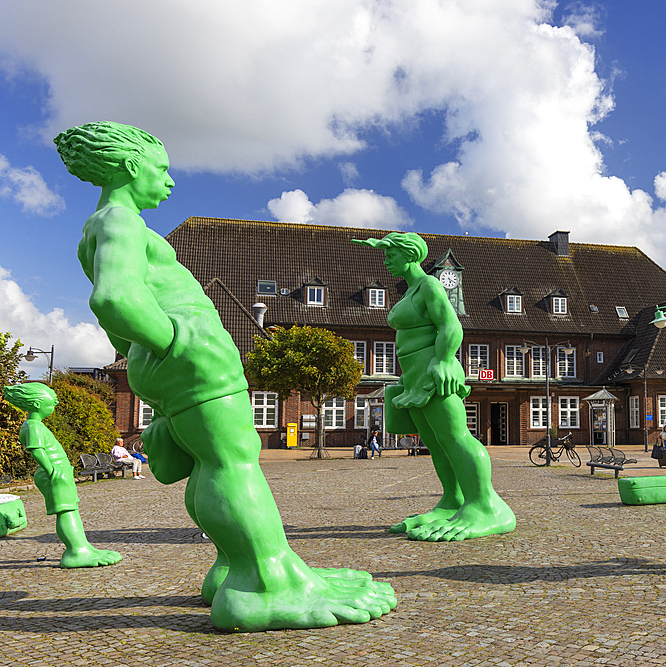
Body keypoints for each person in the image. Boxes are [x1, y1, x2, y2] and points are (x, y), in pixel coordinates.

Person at [55, 122, 395, 632]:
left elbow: (113, 317)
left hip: (165, 361)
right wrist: (181, 342)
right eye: (160, 169)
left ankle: (235, 565)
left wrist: (144, 356)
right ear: (129, 167)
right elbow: (115, 299)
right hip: (190, 356)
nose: (168, 182)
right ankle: (265, 583)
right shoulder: (120, 221)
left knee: (211, 464)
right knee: (234, 464)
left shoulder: (95, 228)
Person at [353, 232, 515, 542]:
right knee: (437, 444)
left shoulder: (429, 285)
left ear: (409, 254)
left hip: (435, 374)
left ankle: (486, 506)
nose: (386, 260)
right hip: (414, 379)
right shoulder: (411, 291)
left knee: (456, 438)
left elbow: (451, 325)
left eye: (391, 254)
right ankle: (452, 501)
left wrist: (442, 360)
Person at [3, 383, 121, 568]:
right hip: (55, 471)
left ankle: (83, 547)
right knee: (66, 512)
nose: (53, 408)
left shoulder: (35, 425)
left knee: (71, 510)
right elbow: (36, 451)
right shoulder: (33, 426)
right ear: (35, 404)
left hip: (59, 470)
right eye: (50, 405)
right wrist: (52, 471)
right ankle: (76, 552)